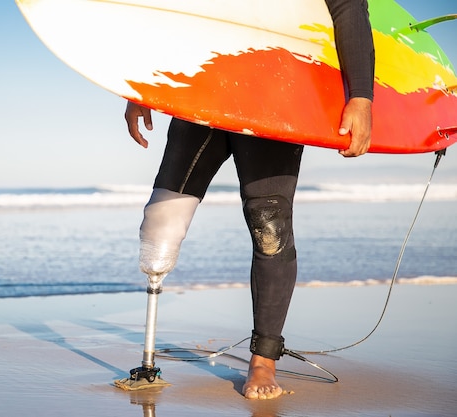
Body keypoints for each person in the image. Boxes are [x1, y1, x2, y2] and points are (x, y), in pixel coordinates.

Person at [124, 0, 374, 400]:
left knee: (269, 226)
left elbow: (348, 6)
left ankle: (264, 359)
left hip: (276, 90)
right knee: (162, 218)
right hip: (203, 85)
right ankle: (147, 356)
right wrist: (142, 85)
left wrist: (361, 97)